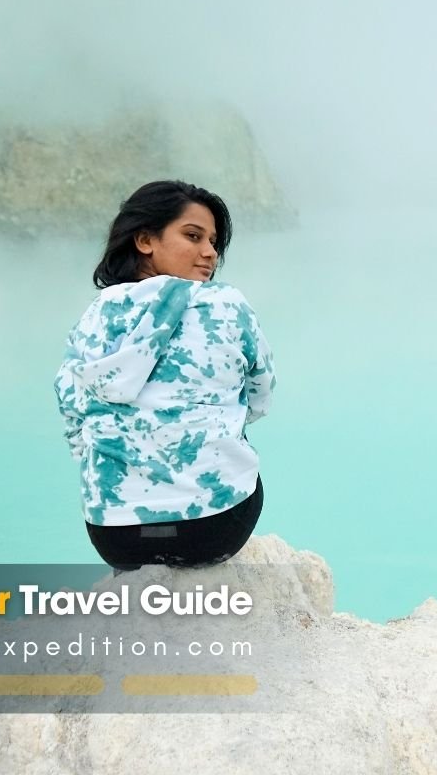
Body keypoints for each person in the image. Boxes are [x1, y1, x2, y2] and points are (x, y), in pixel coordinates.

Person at [54, 180, 275, 572]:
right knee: (241, 455)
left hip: (115, 535)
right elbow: (260, 395)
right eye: (193, 236)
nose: (209, 252)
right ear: (144, 240)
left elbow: (72, 410)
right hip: (215, 528)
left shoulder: (97, 316)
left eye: (214, 242)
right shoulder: (225, 303)